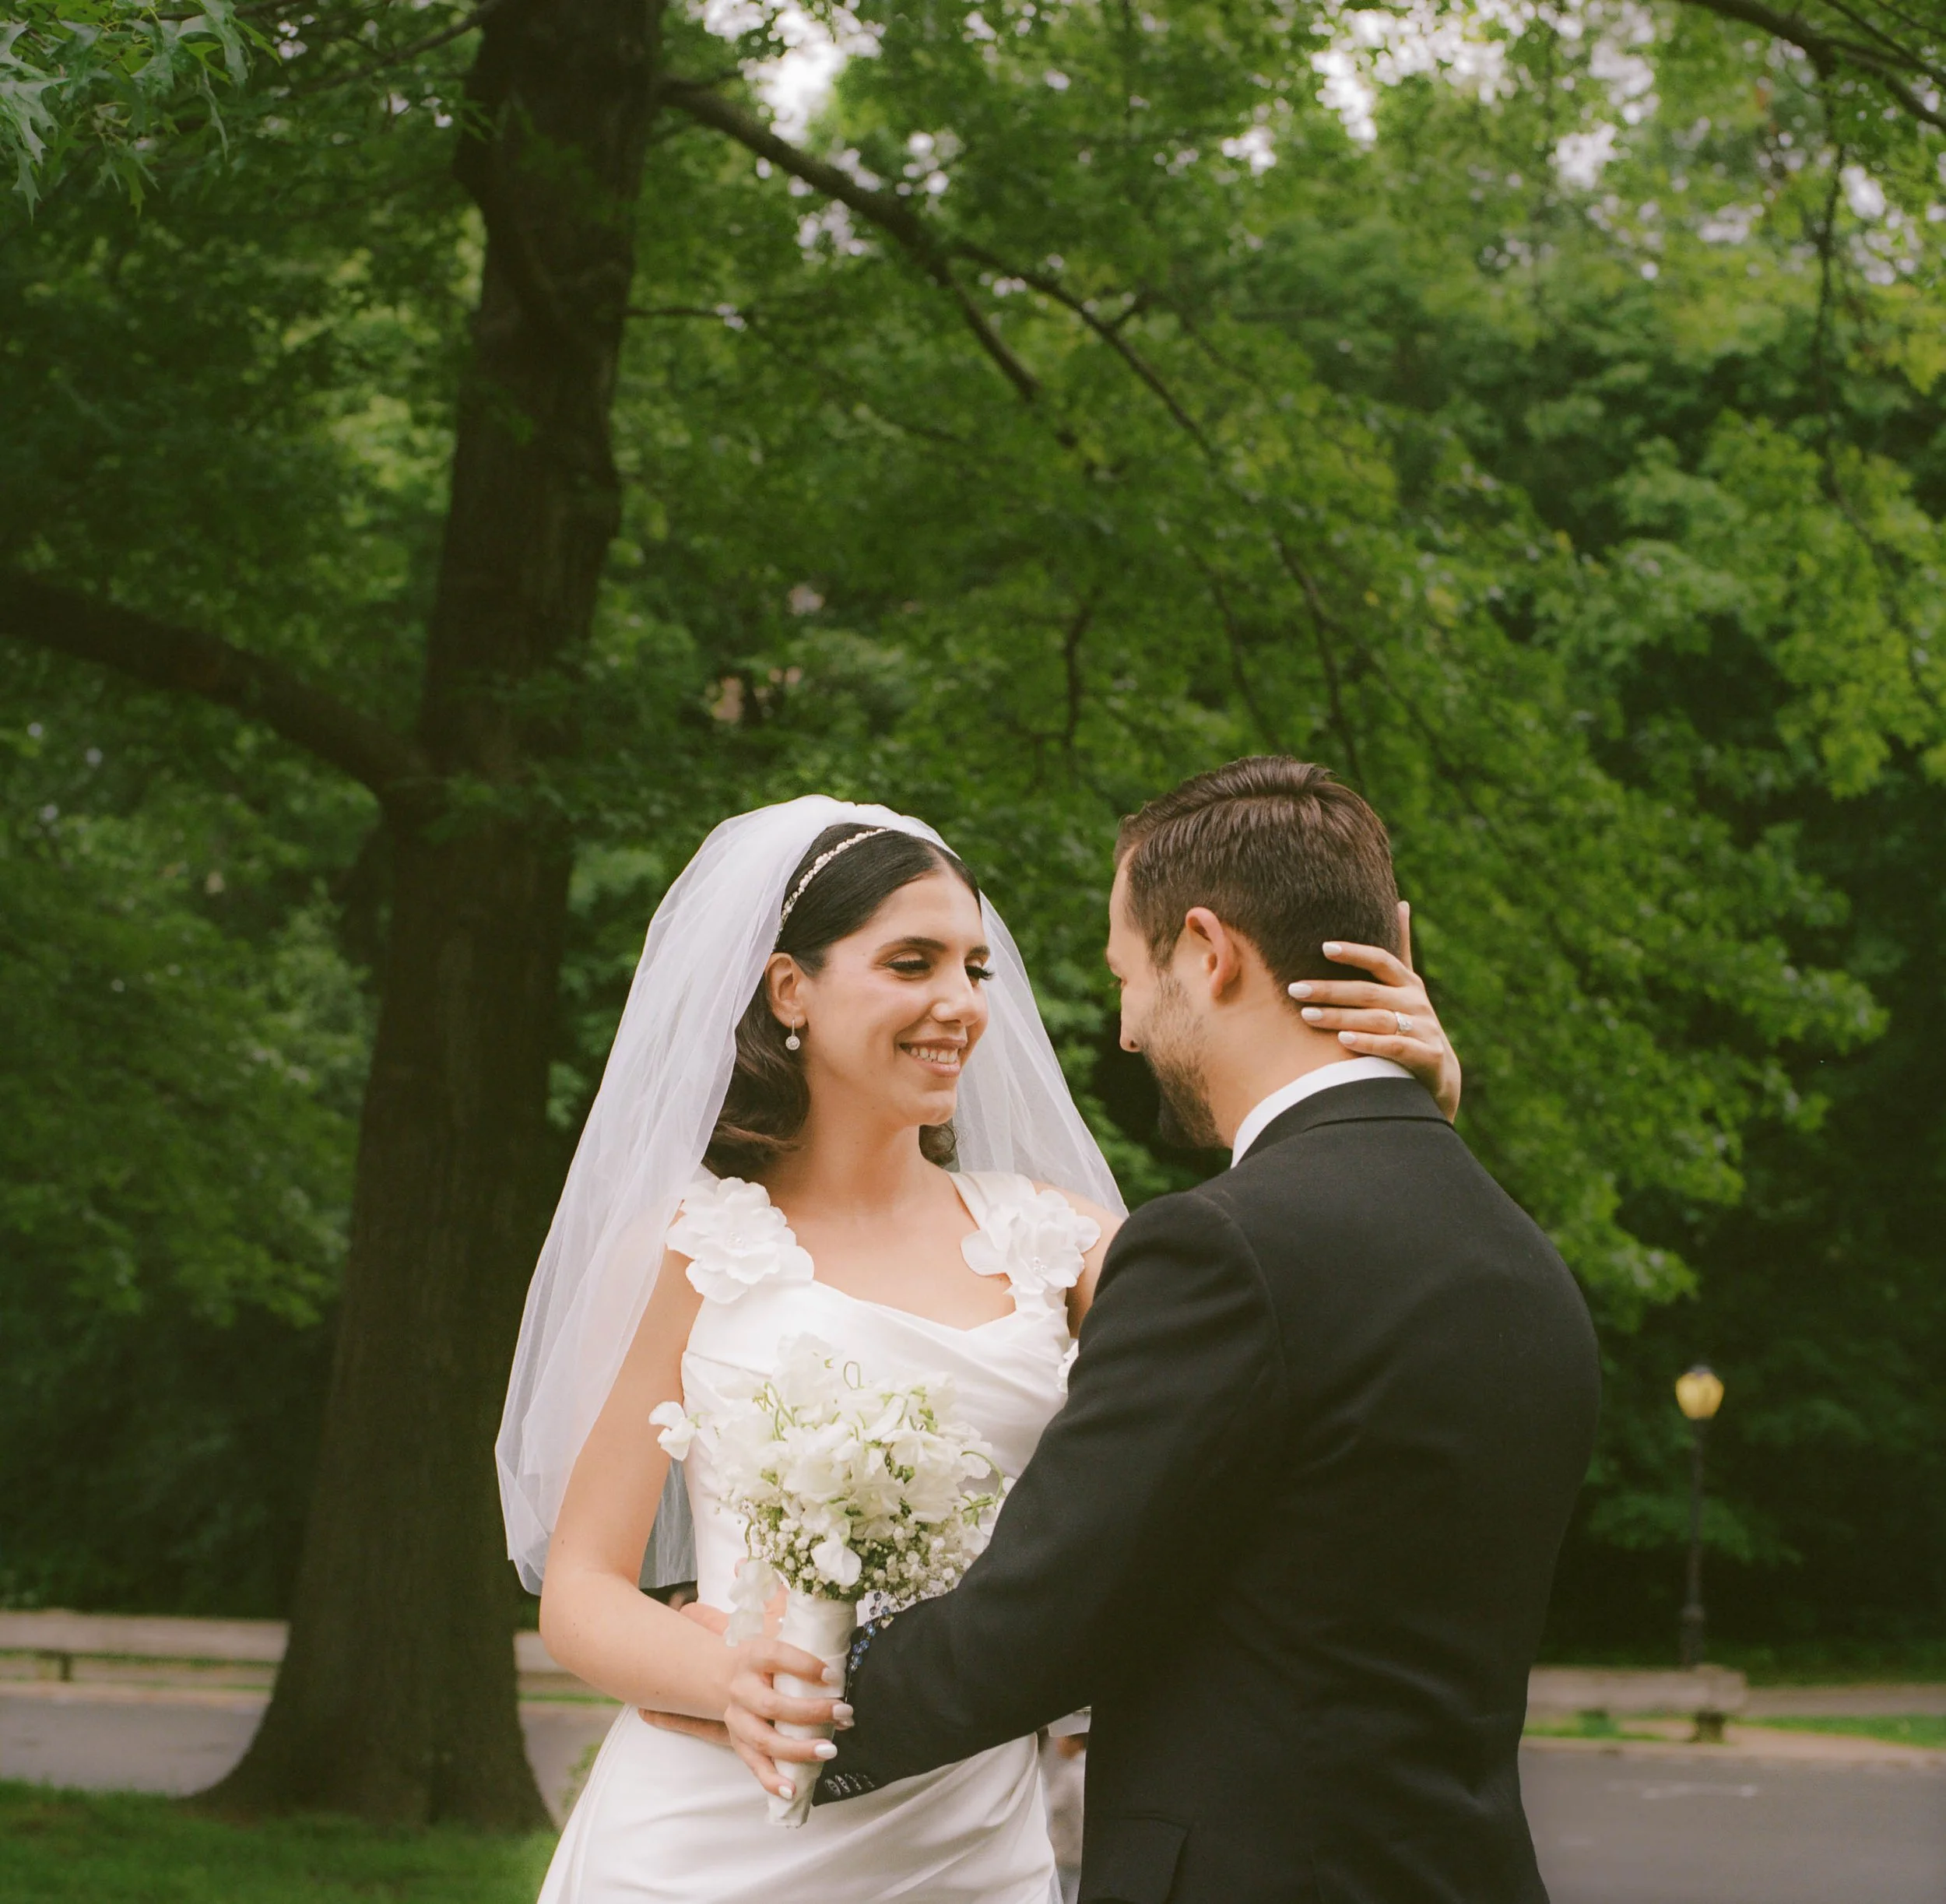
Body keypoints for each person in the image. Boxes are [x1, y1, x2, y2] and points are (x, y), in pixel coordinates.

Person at [495, 787, 1460, 1904]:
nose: (959, 1002)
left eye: (975, 968)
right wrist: (731, 1676)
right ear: (789, 986)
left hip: (966, 1844)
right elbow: (579, 1589)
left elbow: (1332, 1316)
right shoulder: (682, 1247)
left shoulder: (1063, 1246)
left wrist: (1408, 1114)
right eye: (912, 962)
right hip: (706, 1832)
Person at [732, 759, 1602, 1904]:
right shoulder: (1518, 1258)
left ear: (1207, 948)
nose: (1130, 1032)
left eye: (1130, 977)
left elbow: (1042, 1620)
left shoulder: (1223, 1251)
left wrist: (776, 1708)